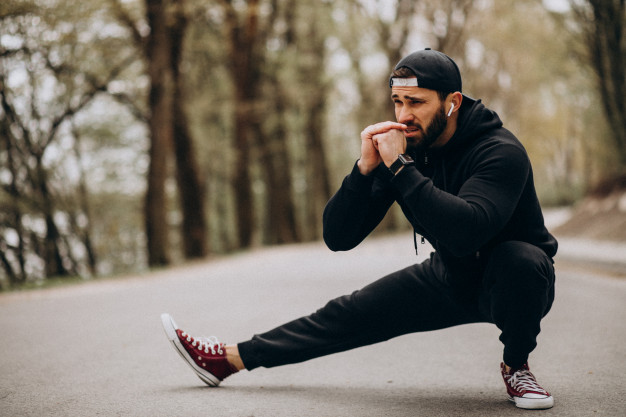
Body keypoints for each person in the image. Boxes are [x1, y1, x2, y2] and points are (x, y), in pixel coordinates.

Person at [161, 48, 557, 410]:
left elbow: (467, 231)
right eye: (398, 102)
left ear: (452, 102)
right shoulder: (407, 148)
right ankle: (225, 360)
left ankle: (516, 365)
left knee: (520, 260)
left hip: (514, 281)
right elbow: (339, 237)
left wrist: (401, 169)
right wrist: (364, 169)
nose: (403, 115)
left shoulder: (499, 151)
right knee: (345, 315)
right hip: (451, 275)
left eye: (416, 103)